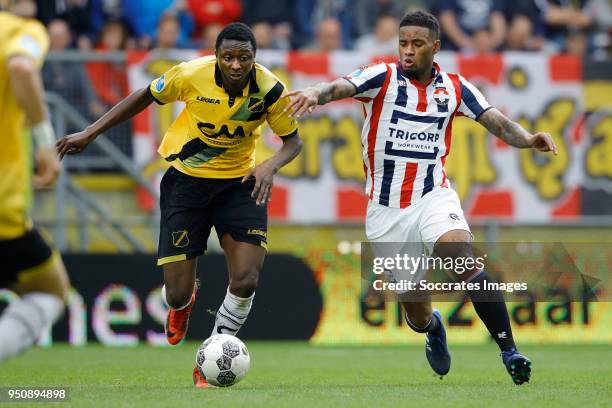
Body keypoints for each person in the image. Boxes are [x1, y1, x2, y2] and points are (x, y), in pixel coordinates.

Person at [285, 10, 558, 385]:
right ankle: (432, 327)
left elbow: (495, 119)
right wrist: (316, 92)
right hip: (386, 213)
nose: (408, 51)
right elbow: (341, 87)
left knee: (462, 260)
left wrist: (527, 139)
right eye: (403, 44)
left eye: (416, 44)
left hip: (433, 196)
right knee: (415, 314)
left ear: (435, 46)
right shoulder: (382, 76)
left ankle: (510, 350)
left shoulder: (456, 88)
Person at [56, 22, 302, 387]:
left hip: (240, 185)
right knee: (176, 292)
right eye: (228, 57)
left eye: (244, 58)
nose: (236, 65)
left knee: (247, 279)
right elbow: (143, 95)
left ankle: (209, 359)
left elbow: (293, 141)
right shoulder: (190, 74)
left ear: (255, 58)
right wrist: (89, 133)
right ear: (217, 56)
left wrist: (269, 165)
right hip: (187, 185)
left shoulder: (270, 90)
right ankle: (184, 305)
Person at [0, 5, 69, 362]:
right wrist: (45, 141)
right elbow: (22, 66)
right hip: (3, 207)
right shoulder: (20, 30)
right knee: (52, 289)